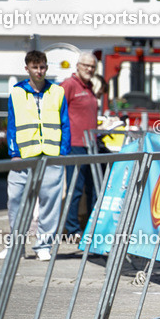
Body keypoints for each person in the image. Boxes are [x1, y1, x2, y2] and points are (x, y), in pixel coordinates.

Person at [0, 50, 70, 261]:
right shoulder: (16, 92)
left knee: (50, 202)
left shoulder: (57, 92)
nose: (39, 71)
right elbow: (12, 125)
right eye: (35, 67)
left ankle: (43, 245)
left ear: (46, 67)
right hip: (24, 156)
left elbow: (65, 123)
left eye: (43, 67)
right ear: (26, 68)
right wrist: (14, 153)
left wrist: (63, 152)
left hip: (52, 155)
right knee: (16, 200)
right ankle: (15, 247)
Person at [60, 51, 99, 238]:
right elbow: (57, 111)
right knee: (75, 187)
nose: (89, 69)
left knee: (92, 188)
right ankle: (72, 228)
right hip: (75, 143)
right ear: (78, 66)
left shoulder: (90, 87)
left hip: (91, 145)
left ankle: (90, 227)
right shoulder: (69, 85)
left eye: (92, 66)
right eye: (86, 65)